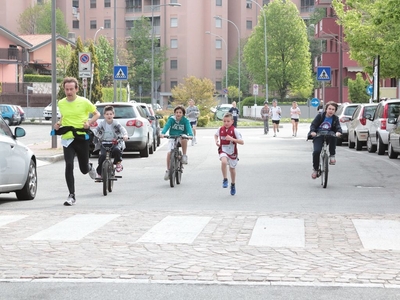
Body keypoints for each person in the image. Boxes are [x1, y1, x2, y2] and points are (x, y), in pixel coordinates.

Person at [54, 77, 100, 206]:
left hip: (81, 137)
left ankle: (89, 166)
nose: (69, 92)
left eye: (71, 89)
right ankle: (71, 195)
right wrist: (58, 123)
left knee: (83, 169)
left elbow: (97, 114)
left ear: (76, 89)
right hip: (68, 137)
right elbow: (63, 116)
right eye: (66, 89)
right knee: (69, 165)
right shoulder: (61, 103)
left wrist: (89, 123)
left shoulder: (84, 102)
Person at [91, 105, 128, 179]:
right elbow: (96, 130)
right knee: (102, 156)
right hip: (104, 143)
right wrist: (92, 134)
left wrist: (125, 135)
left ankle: (118, 163)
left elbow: (122, 129)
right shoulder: (102, 123)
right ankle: (100, 173)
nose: (109, 116)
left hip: (114, 143)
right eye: (107, 114)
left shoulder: (116, 123)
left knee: (117, 150)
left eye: (111, 114)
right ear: (104, 115)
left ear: (113, 115)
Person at [309, 101, 342, 179]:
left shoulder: (335, 118)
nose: (331, 111)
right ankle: (316, 169)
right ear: (326, 109)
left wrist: (338, 132)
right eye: (329, 109)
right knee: (316, 151)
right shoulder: (320, 116)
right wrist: (313, 132)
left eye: (333, 109)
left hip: (329, 134)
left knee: (334, 137)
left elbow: (338, 127)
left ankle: (332, 155)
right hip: (319, 135)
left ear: (335, 111)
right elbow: (313, 125)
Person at [214, 112, 244, 196]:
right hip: (223, 150)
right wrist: (216, 141)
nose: (226, 123)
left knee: (232, 169)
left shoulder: (235, 130)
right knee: (223, 161)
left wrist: (232, 139)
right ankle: (225, 179)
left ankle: (233, 184)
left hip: (232, 152)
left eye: (228, 121)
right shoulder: (220, 129)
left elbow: (242, 142)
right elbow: (215, 135)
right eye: (224, 121)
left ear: (232, 121)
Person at [160, 105, 193, 180]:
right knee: (169, 153)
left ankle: (184, 155)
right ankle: (168, 170)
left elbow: (189, 128)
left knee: (184, 138)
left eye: (180, 112)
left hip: (181, 136)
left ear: (183, 114)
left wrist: (190, 135)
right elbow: (166, 126)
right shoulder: (171, 119)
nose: (178, 114)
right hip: (172, 137)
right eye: (177, 112)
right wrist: (163, 133)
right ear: (174, 113)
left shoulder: (185, 120)